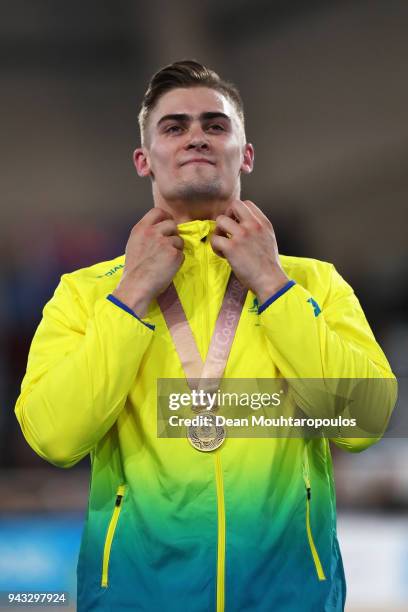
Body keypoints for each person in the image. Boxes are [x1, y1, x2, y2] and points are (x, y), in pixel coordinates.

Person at [15, 60, 396, 612]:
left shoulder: (313, 283)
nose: (196, 136)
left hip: (288, 600)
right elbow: (54, 437)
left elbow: (362, 422)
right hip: (137, 600)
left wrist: (271, 283)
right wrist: (131, 297)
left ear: (245, 154)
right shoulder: (86, 294)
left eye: (215, 125)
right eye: (174, 127)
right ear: (144, 161)